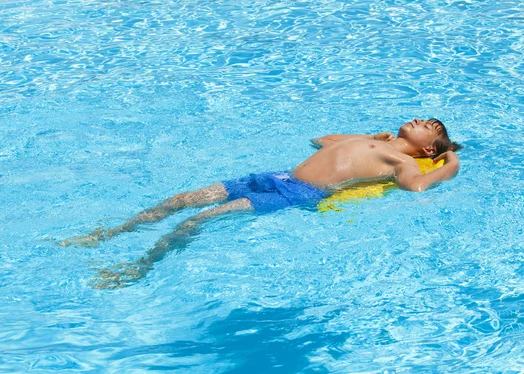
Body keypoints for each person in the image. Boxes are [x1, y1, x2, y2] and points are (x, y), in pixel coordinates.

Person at [62, 118, 462, 288]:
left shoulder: (403, 161)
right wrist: (365, 136)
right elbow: (320, 141)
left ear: (428, 144)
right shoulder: (374, 140)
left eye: (429, 124)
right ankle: (108, 234)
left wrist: (450, 163)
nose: (419, 119)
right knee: (180, 200)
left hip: (298, 193)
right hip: (275, 176)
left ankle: (136, 268)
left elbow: (418, 188)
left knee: (199, 219)